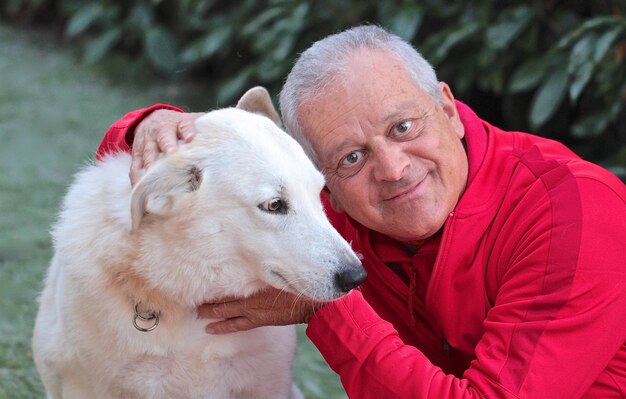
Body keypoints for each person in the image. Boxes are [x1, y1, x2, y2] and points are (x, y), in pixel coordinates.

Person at [96, 25, 626, 398]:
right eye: (352, 156)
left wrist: (323, 305)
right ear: (316, 172)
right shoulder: (329, 206)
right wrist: (150, 127)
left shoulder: (573, 214)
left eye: (403, 127)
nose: (393, 168)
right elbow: (135, 189)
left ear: (447, 108)